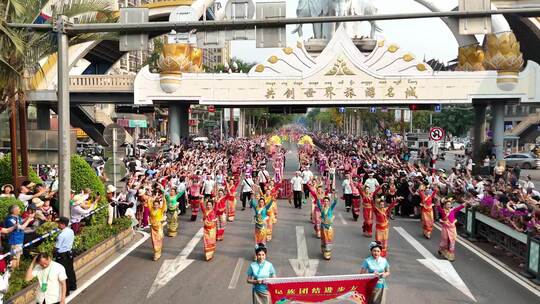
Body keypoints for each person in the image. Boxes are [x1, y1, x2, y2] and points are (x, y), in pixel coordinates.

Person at [436, 198, 468, 262]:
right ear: (445, 205)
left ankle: (450, 254)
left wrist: (465, 203)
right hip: (445, 228)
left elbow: (460, 207)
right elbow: (438, 207)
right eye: (447, 204)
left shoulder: (453, 210)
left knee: (452, 241)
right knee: (445, 240)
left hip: (452, 228)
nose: (449, 205)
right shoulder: (443, 211)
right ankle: (442, 249)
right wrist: (438, 201)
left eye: (450, 204)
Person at [54, 216, 76, 295]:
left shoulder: (61, 235)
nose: (58, 224)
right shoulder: (71, 231)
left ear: (63, 224)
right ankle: (73, 286)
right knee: (70, 270)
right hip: (70, 254)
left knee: (63, 274)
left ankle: (66, 292)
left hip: (62, 256)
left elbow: (57, 247)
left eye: (59, 223)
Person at [148, 196, 167, 261]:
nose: (155, 206)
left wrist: (164, 199)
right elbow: (148, 202)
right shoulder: (151, 209)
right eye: (154, 205)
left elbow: (164, 205)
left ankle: (158, 253)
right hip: (153, 228)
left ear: (159, 205)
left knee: (159, 240)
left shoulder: (160, 210)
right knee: (154, 241)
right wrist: (152, 198)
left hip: (159, 227)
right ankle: (156, 252)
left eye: (157, 205)